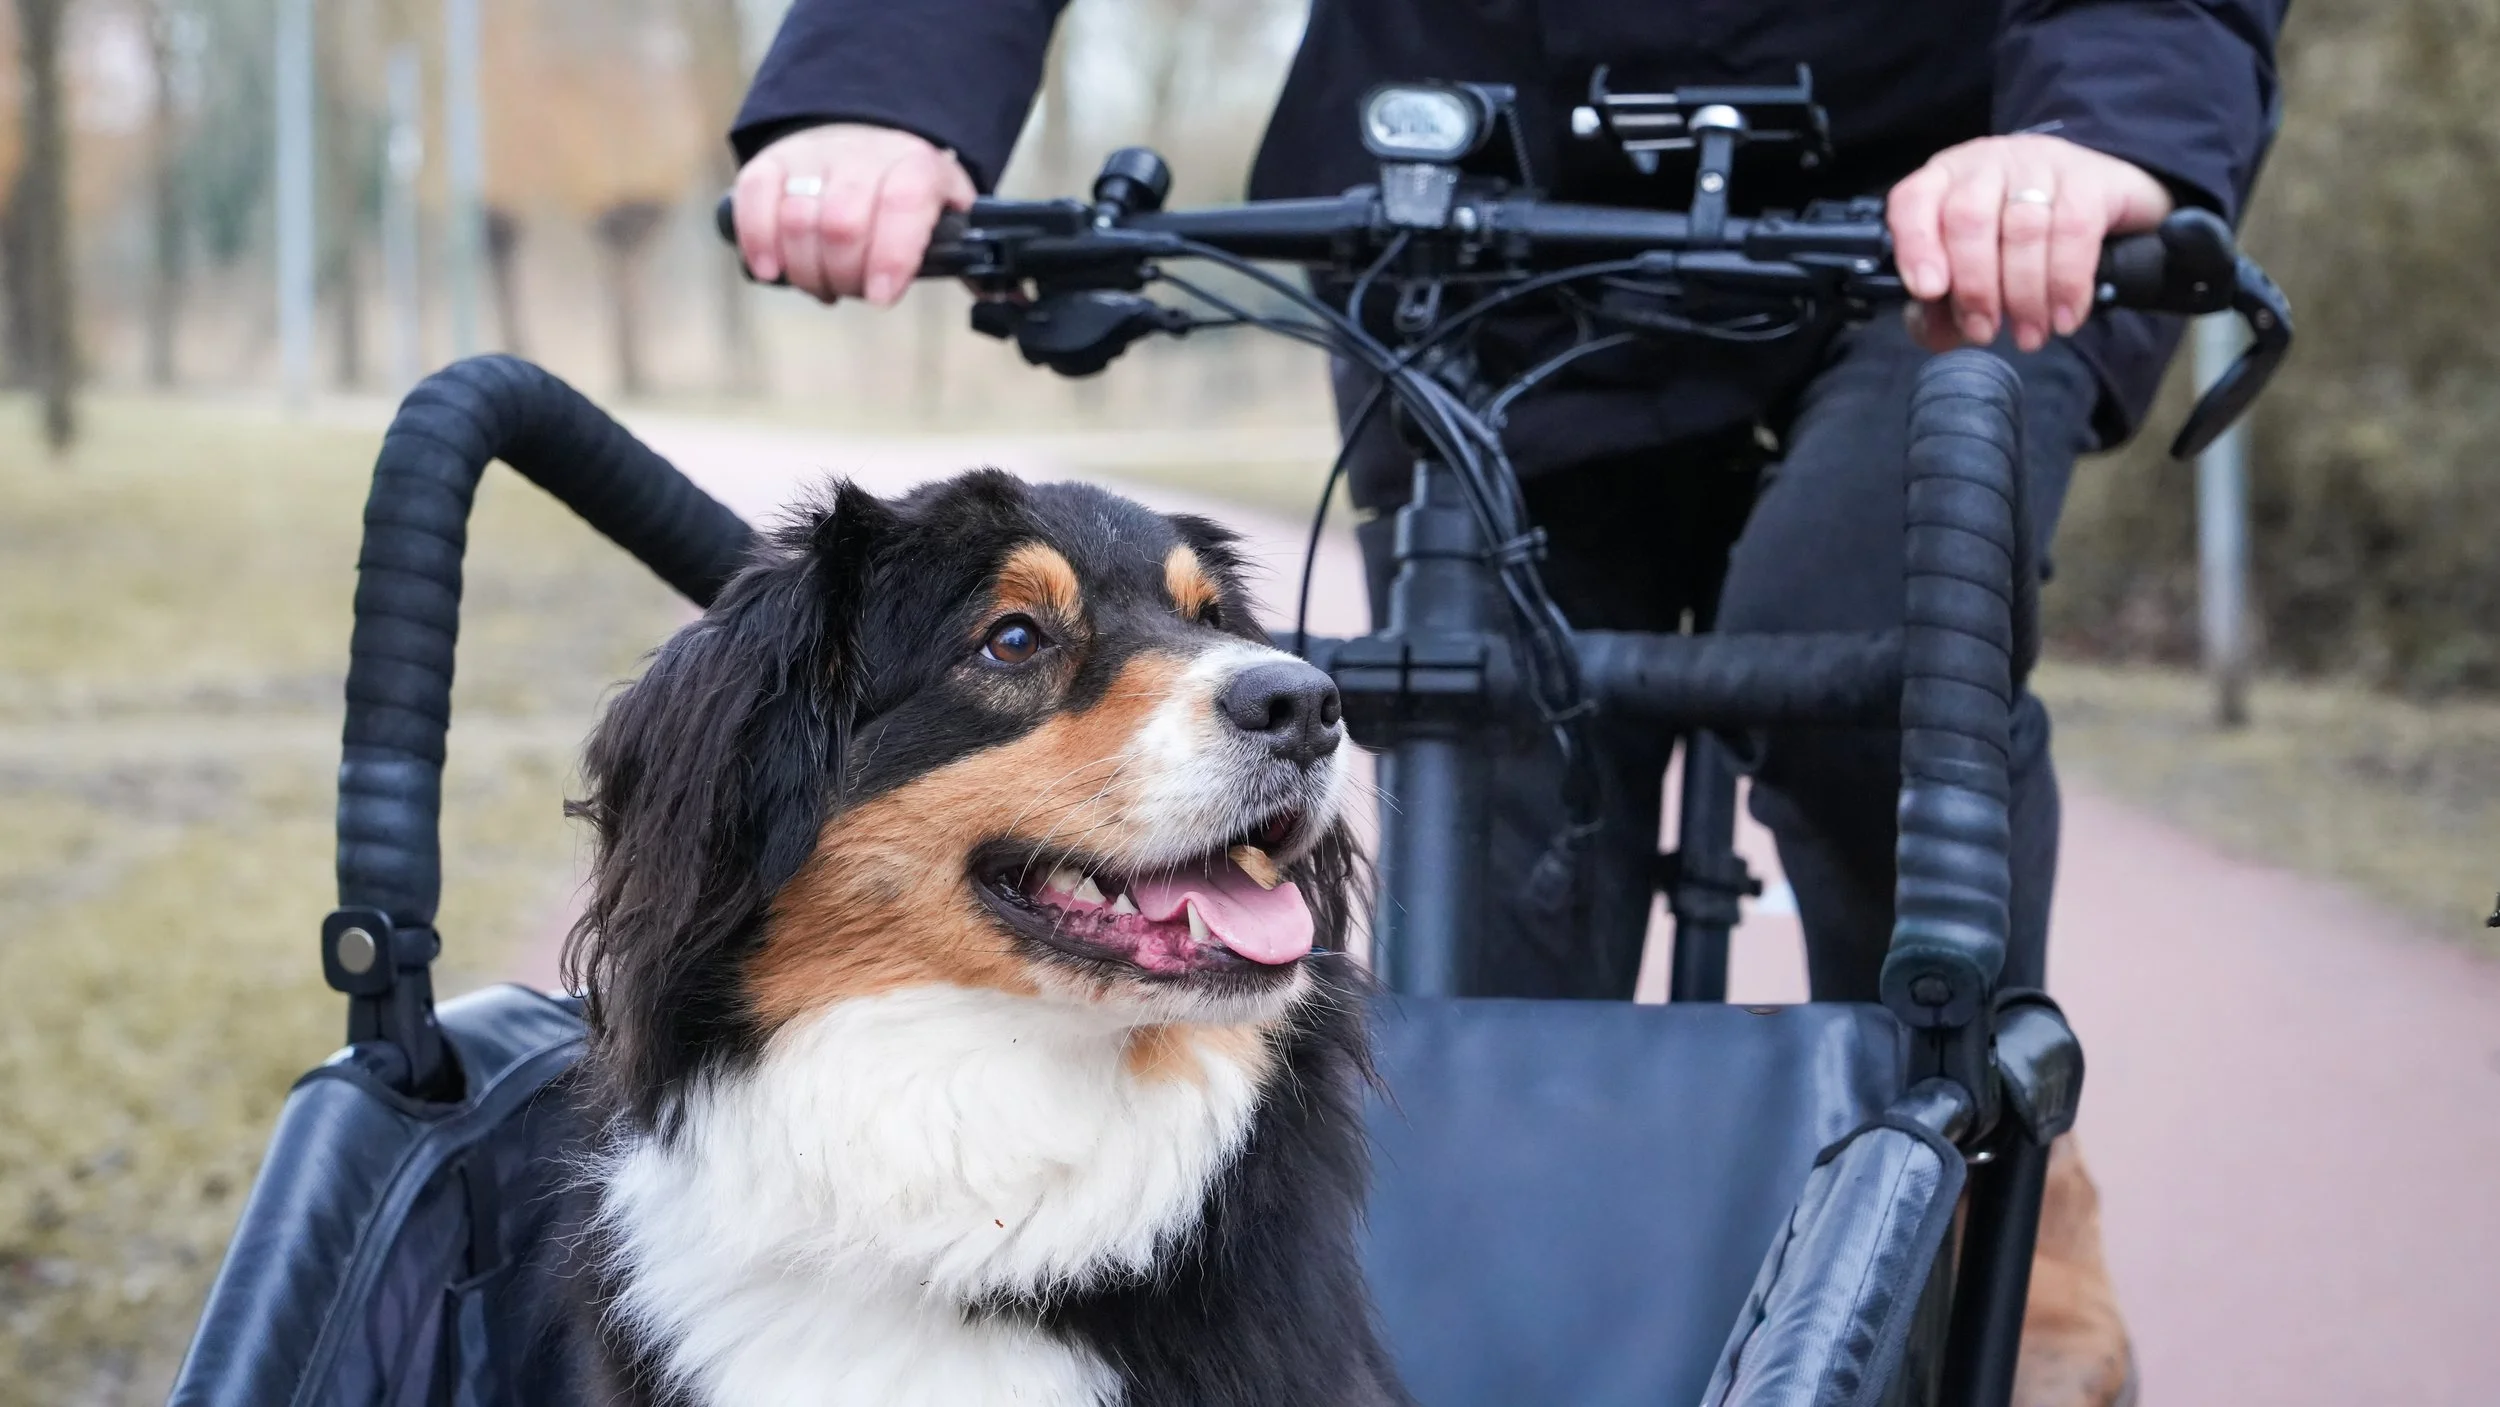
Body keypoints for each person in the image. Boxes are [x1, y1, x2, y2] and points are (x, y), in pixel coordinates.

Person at [725, 6, 2282, 1395]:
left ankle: (2007, 1158)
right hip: (1477, 185)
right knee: (1505, 759)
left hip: (1955, 207)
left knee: (1857, 636)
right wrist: (882, 78)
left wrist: (2106, 131)